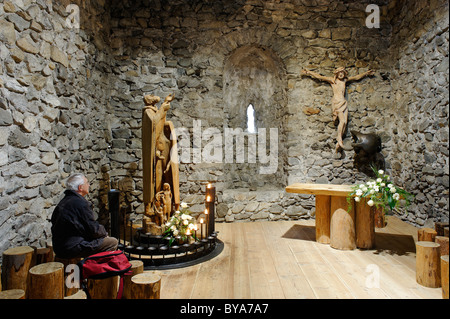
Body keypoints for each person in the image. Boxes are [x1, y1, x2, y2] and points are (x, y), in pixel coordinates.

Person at [302, 67, 374, 152]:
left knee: (345, 122)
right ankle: (339, 139)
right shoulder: (333, 81)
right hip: (337, 102)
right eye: (339, 73)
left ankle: (339, 142)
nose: (341, 74)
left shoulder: (344, 81)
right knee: (342, 121)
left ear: (344, 74)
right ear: (336, 74)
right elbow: (320, 77)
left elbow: (356, 77)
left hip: (343, 102)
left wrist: (366, 73)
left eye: (342, 73)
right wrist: (309, 72)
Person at [51, 173, 118, 259]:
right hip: (71, 248)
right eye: (87, 183)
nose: (89, 185)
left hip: (59, 246)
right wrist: (104, 234)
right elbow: (93, 229)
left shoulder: (65, 201)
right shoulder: (80, 204)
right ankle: (96, 269)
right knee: (112, 242)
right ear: (80, 187)